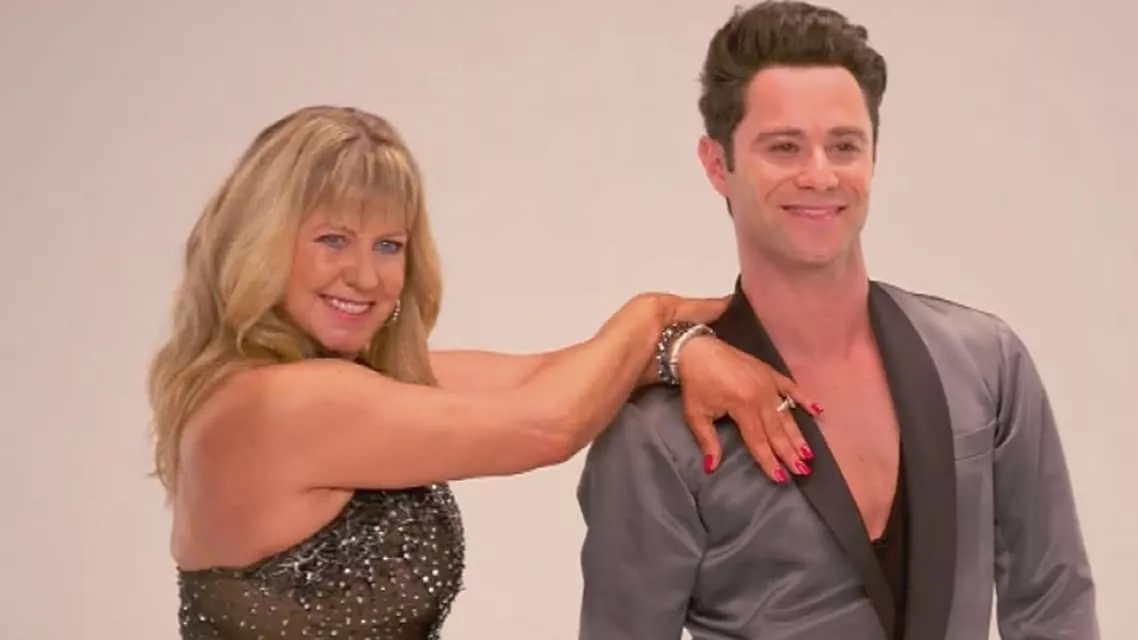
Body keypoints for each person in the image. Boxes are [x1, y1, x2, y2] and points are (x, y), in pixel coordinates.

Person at [146, 104, 824, 639]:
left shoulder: (341, 386)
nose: (365, 275)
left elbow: (546, 376)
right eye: (333, 240)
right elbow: (548, 426)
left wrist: (699, 339)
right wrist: (656, 314)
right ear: (262, 243)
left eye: (388, 245)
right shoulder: (278, 404)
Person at [575, 2, 1099, 639]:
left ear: (873, 157)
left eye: (844, 145)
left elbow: (1053, 605)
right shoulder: (657, 432)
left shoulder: (986, 361)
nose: (820, 175)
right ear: (717, 165)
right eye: (784, 147)